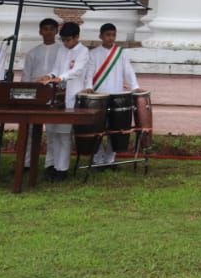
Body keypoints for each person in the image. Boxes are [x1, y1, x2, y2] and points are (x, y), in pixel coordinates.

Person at [35, 22, 90, 182]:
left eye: (68, 40)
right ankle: (50, 166)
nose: (66, 43)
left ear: (77, 37)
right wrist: (49, 76)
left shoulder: (83, 51)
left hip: (71, 96)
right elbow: (56, 68)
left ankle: (62, 169)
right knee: (52, 132)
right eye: (63, 40)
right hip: (55, 95)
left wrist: (61, 77)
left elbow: (77, 70)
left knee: (64, 134)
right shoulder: (61, 49)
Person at [87, 22, 141, 165]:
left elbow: (128, 71)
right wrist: (88, 86)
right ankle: (98, 158)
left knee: (115, 129)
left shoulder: (120, 53)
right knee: (97, 129)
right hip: (99, 96)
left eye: (113, 35)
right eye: (107, 35)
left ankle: (110, 159)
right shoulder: (93, 54)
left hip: (117, 96)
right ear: (101, 36)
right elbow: (89, 72)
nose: (111, 38)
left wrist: (135, 86)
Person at [19, 18, 62, 170]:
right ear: (40, 31)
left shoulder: (62, 51)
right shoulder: (33, 52)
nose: (48, 32)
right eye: (45, 29)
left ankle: (50, 164)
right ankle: (26, 163)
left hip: (54, 93)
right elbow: (26, 77)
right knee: (30, 130)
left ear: (56, 31)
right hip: (34, 95)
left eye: (51, 29)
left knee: (52, 130)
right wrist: (25, 97)